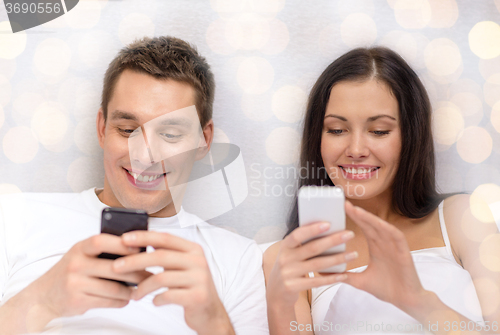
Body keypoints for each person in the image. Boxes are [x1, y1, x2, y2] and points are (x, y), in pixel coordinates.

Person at [0, 36, 268, 335]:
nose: (144, 155)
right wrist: (42, 301)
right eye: (127, 130)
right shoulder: (13, 219)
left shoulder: (239, 259)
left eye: (169, 135)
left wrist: (215, 323)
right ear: (102, 129)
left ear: (204, 140)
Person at [263, 47, 499, 335]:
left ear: (410, 136)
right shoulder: (289, 258)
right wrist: (278, 305)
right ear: (317, 138)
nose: (357, 150)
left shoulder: (462, 217)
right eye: (337, 130)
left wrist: (416, 300)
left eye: (379, 131)